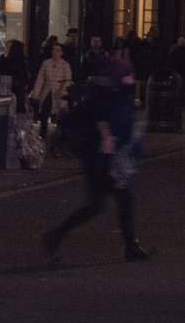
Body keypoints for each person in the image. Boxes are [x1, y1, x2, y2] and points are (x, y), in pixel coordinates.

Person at [42, 53, 146, 264]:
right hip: (100, 158)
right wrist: (107, 139)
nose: (132, 79)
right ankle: (131, 247)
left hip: (102, 158)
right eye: (128, 75)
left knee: (96, 205)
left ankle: (56, 235)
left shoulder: (117, 91)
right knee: (122, 200)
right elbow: (102, 119)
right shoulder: (108, 93)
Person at [27, 40, 74, 139]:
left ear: (62, 52)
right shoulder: (46, 63)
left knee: (59, 116)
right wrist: (36, 94)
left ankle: (58, 138)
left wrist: (62, 92)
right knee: (44, 114)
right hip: (47, 92)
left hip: (59, 93)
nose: (55, 52)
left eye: (57, 50)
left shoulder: (65, 65)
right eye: (53, 50)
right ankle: (42, 136)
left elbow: (68, 80)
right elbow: (40, 79)